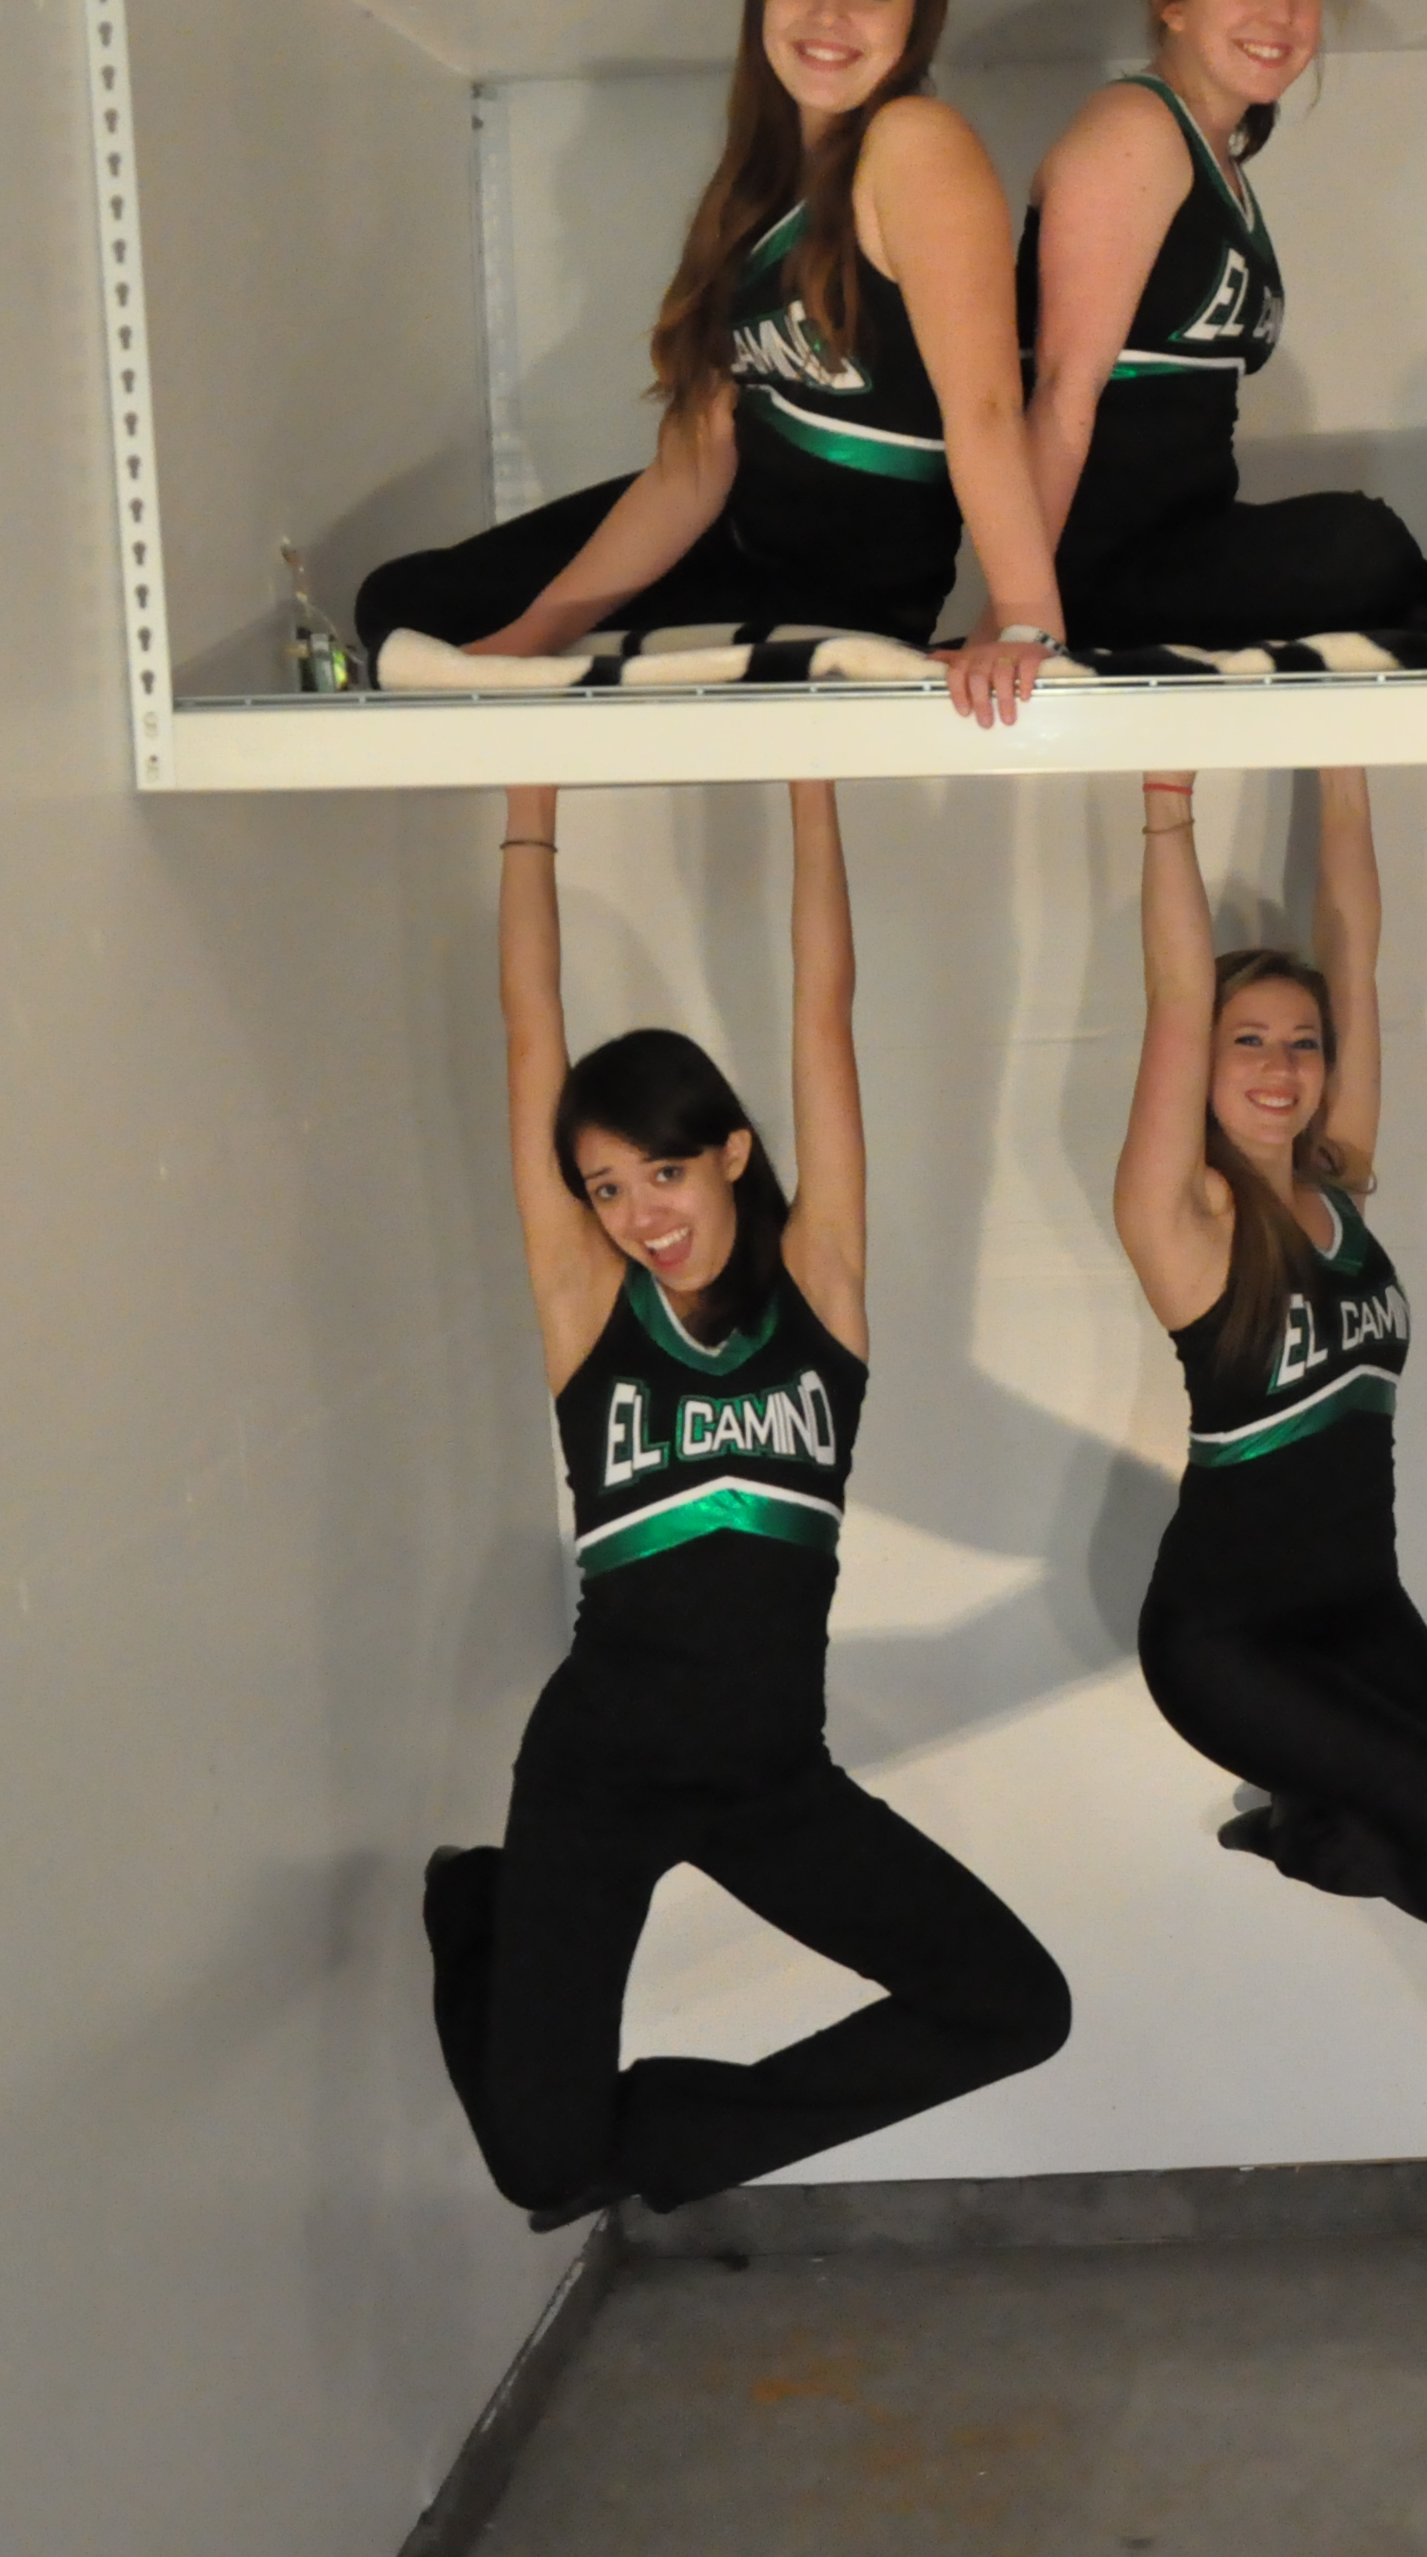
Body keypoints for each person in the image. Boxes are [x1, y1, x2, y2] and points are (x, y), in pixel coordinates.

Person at [422, 785, 1071, 2230]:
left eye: (662, 1170)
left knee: (1016, 2005)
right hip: (596, 1773)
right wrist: (527, 809)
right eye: (604, 1187)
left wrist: (809, 785)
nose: (639, 1213)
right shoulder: (589, 1309)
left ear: (728, 1152)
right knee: (542, 2172)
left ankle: (666, 2134)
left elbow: (823, 1011)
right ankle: (477, 1912)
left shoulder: (819, 1291)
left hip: (773, 1778)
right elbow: (531, 1032)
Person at [1109, 764, 1427, 2109]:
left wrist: (1344, 755)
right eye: (1248, 1042)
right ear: (1203, 1064)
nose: (1282, 1068)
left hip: (1360, 1605)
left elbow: (1356, 949)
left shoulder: (1340, 1187)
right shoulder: (1185, 1220)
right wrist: (1166, 802)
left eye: (1302, 1043)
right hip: (1226, 1641)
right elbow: (1171, 996)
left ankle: (1306, 1831)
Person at [356, 0, 1063, 682]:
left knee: (420, 620)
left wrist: (1025, 620)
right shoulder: (753, 193)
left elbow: (985, 406)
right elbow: (692, 466)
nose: (828, 13)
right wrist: (524, 640)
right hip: (735, 541)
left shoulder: (915, 141)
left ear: (918, 20)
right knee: (405, 607)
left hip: (841, 586)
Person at [960, 0, 1427, 712]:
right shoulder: (1134, 131)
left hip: (1190, 542)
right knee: (1363, 542)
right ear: (1171, 0)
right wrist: (1019, 615)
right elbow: (1061, 389)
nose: (1280, 13)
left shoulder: (1215, 157)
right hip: (1106, 569)